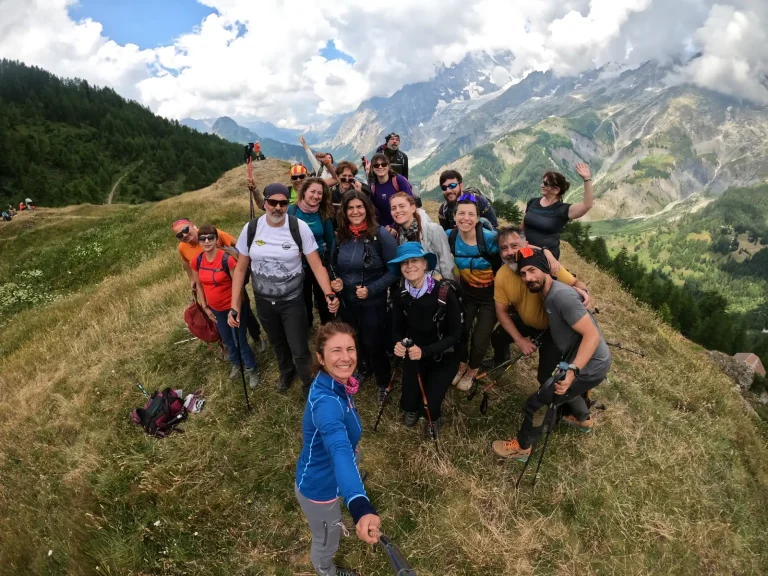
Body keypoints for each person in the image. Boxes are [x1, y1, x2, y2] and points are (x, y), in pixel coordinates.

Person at [492, 247, 611, 460]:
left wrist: (572, 372)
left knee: (537, 403)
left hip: (589, 365)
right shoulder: (549, 293)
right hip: (584, 360)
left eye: (532, 270)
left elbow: (592, 336)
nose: (528, 278)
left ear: (545, 269)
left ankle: (522, 447)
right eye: (523, 274)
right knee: (561, 389)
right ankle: (583, 419)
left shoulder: (560, 296)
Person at [229, 183, 340, 396]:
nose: (278, 207)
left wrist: (329, 294)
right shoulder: (251, 229)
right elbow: (241, 268)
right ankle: (286, 373)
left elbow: (316, 265)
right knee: (277, 342)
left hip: (292, 299)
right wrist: (234, 306)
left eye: (282, 203)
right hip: (263, 299)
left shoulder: (298, 227)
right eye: (273, 202)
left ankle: (308, 382)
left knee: (298, 345)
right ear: (265, 203)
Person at [295, 322, 380, 576]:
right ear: (320, 357)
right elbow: (339, 449)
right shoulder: (326, 404)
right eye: (336, 351)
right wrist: (359, 504)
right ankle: (326, 570)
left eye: (350, 349)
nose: (346, 358)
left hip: (334, 472)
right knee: (327, 538)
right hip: (320, 489)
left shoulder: (337, 383)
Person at [490, 226, 592, 385]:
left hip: (553, 330)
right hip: (526, 321)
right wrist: (520, 340)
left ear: (526, 246)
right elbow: (501, 312)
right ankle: (502, 360)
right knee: (497, 337)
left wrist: (584, 292)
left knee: (545, 377)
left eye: (514, 246)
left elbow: (575, 282)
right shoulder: (502, 275)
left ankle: (569, 405)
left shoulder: (545, 264)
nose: (509, 252)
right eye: (504, 248)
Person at [329, 190, 398, 400]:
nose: (355, 211)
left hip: (373, 300)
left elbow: (395, 270)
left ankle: (383, 380)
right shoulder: (341, 235)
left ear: (367, 209)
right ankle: (365, 367)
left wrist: (372, 289)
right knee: (354, 337)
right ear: (344, 211)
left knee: (373, 341)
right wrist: (336, 280)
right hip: (348, 300)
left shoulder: (380, 235)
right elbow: (332, 264)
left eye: (359, 207)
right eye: (350, 207)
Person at [389, 242, 462, 436]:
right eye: (405, 263)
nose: (410, 266)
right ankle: (413, 408)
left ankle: (433, 419)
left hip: (443, 355)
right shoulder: (400, 295)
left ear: (425, 265)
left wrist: (426, 351)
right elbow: (396, 329)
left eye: (415, 261)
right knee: (409, 402)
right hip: (415, 354)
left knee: (430, 406)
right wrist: (398, 343)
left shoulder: (445, 294)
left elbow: (456, 335)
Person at [173, 218, 265, 349]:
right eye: (179, 235)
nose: (184, 235)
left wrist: (240, 265)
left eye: (186, 230)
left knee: (243, 308)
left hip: (229, 280)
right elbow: (186, 262)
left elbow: (237, 244)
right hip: (207, 284)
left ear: (192, 225)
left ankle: (256, 336)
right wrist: (192, 279)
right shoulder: (182, 248)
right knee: (216, 315)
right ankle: (226, 344)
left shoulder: (212, 234)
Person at [191, 225, 259, 388]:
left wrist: (235, 309)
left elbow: (238, 284)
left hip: (233, 307)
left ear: (216, 239)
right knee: (227, 339)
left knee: (239, 340)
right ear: (199, 241)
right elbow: (199, 285)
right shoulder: (197, 261)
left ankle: (251, 369)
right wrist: (205, 307)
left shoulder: (226, 259)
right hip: (215, 309)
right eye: (203, 238)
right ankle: (236, 363)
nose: (206, 241)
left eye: (210, 238)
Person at [448, 195, 501, 391]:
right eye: (461, 213)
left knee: (480, 338)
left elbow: (515, 249)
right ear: (454, 216)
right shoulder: (451, 236)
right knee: (460, 331)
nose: (466, 218)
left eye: (471, 214)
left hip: (491, 298)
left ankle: (472, 369)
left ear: (478, 218)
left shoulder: (489, 239)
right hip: (467, 294)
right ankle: (462, 363)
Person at [289, 177, 335, 327]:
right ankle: (307, 324)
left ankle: (326, 324)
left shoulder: (323, 214)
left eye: (320, 193)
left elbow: (330, 241)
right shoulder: (291, 211)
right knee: (303, 297)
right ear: (304, 192)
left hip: (319, 262)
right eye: (312, 192)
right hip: (297, 264)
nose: (316, 196)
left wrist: (331, 264)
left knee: (322, 296)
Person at [522, 163, 594, 260]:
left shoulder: (563, 210)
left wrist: (587, 179)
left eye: (545, 184)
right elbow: (522, 226)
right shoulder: (533, 201)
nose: (541, 185)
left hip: (546, 257)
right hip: (525, 250)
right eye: (542, 182)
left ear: (556, 189)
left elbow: (587, 205)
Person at [389, 192, 454, 280]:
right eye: (393, 208)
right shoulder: (400, 236)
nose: (397, 211)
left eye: (402, 206)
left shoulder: (433, 229)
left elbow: (446, 261)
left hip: (438, 285)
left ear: (413, 208)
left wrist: (448, 286)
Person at [368, 152, 412, 228]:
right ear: (372, 169)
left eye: (384, 164)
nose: (380, 167)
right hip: (384, 228)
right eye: (376, 165)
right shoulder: (373, 187)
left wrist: (394, 226)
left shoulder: (399, 180)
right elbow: (374, 211)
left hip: (403, 224)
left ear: (388, 167)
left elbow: (410, 203)